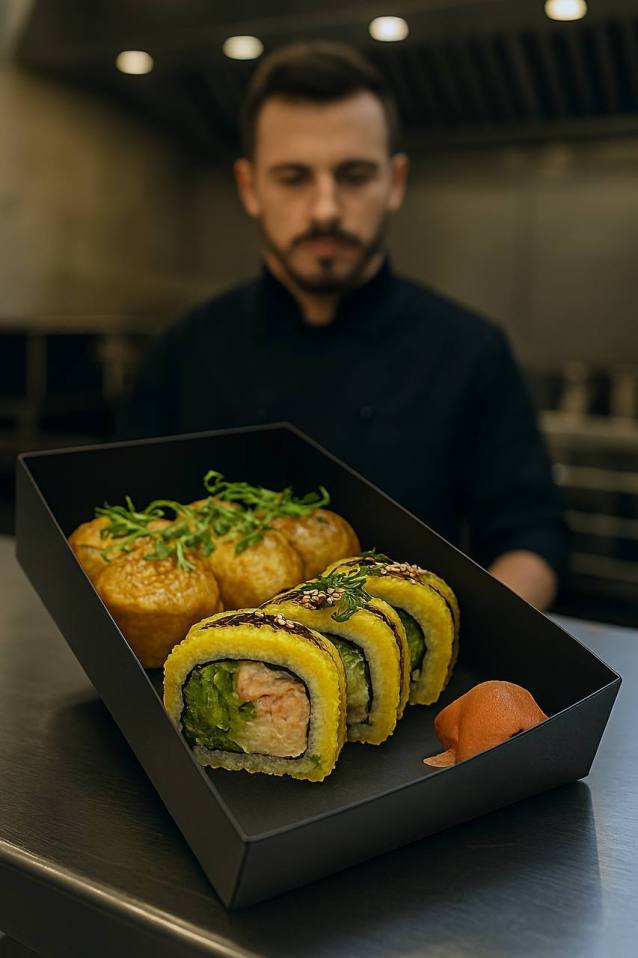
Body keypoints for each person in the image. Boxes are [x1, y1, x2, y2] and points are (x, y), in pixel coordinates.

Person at [117, 41, 567, 610]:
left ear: (395, 182)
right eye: (293, 178)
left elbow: (532, 536)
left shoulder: (471, 350)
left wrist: (464, 637)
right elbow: (130, 535)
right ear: (250, 188)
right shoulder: (182, 352)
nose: (326, 209)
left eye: (354, 176)